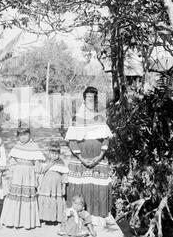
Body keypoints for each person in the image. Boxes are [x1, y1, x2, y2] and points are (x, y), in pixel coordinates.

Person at [65, 86, 116, 226]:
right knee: (80, 185)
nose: (90, 100)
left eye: (92, 98)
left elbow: (106, 138)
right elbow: (72, 141)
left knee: (97, 185)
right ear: (84, 99)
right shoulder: (76, 119)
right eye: (87, 97)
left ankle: (97, 215)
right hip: (80, 160)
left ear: (95, 100)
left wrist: (100, 156)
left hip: (97, 159)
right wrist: (81, 158)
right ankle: (77, 214)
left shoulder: (100, 118)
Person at [0, 122, 45, 229]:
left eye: (25, 134)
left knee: (27, 195)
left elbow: (38, 161)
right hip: (18, 174)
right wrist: (11, 174)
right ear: (18, 136)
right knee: (16, 195)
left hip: (29, 174)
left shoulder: (34, 146)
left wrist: (37, 175)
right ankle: (13, 220)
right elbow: (11, 161)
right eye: (20, 135)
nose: (23, 137)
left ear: (30, 134)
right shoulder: (17, 147)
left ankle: (26, 221)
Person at [37, 141, 69, 224]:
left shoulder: (61, 162)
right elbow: (41, 171)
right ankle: (44, 217)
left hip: (57, 185)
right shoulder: (46, 161)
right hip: (47, 184)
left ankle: (55, 217)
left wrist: (64, 187)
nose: (54, 155)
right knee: (46, 199)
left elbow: (64, 175)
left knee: (55, 199)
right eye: (52, 153)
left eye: (56, 153)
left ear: (59, 153)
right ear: (49, 153)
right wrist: (49, 165)